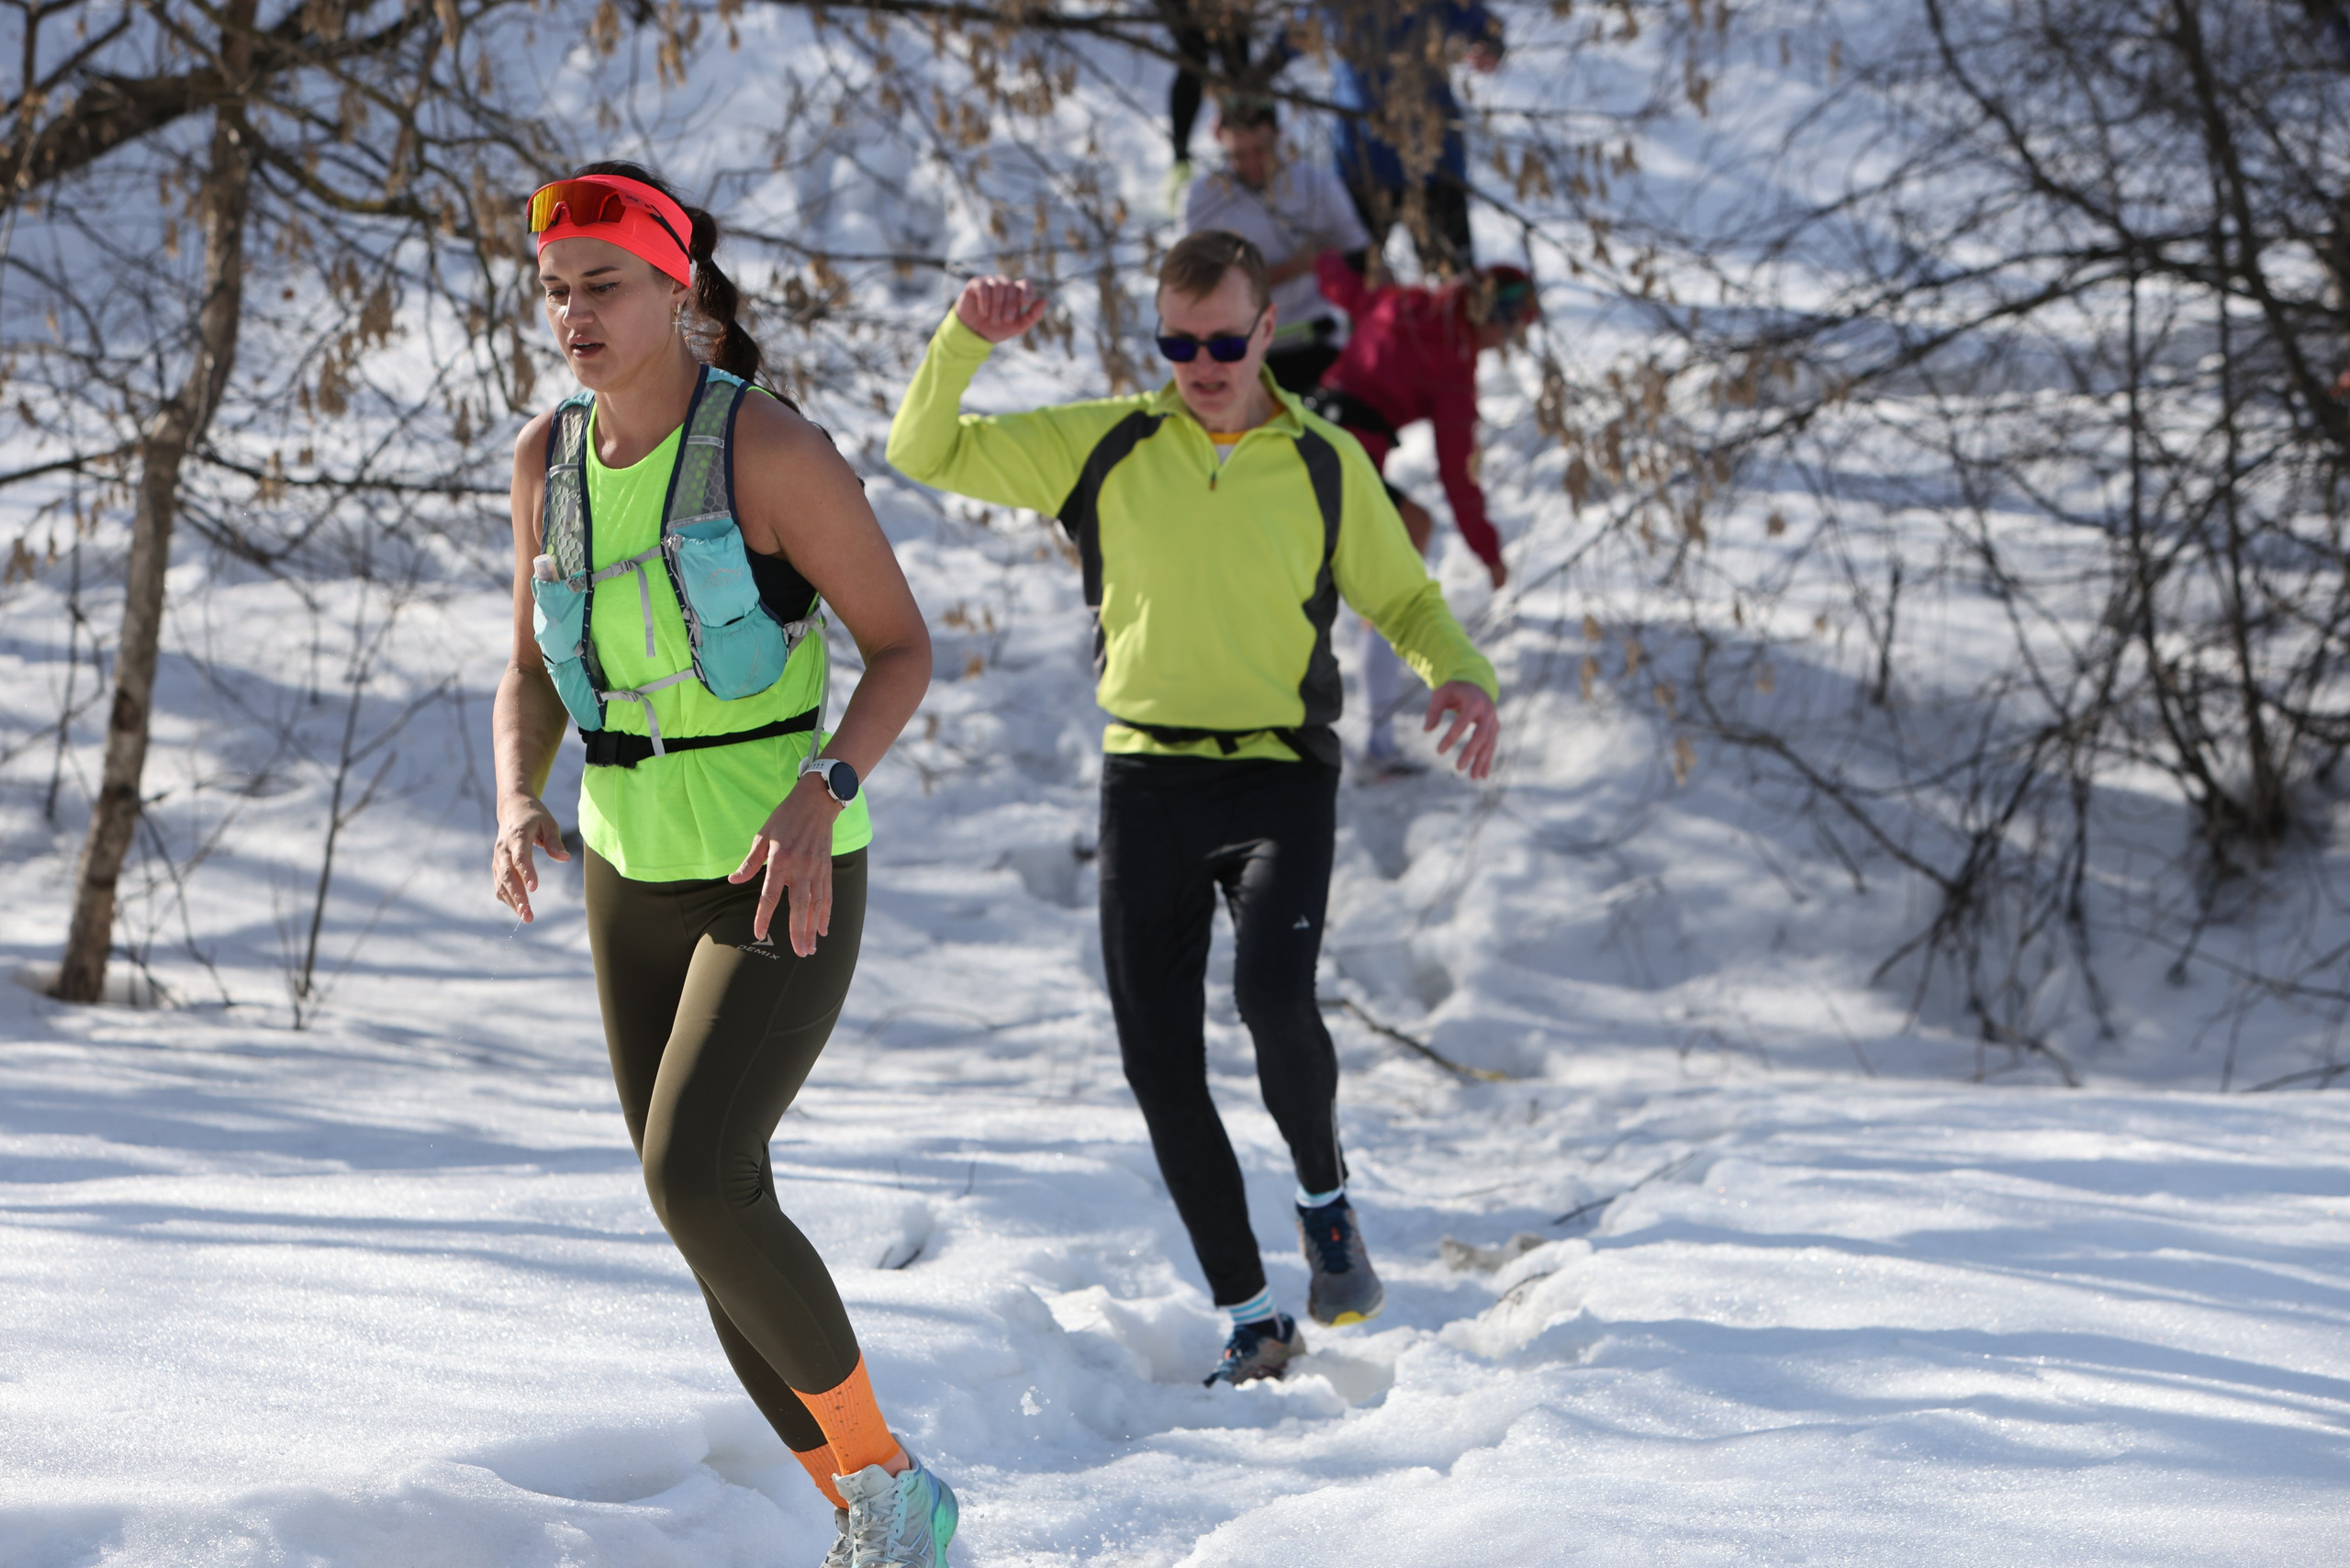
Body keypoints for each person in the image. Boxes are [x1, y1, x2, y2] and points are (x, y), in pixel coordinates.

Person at [885, 230, 1501, 1385]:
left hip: (1279, 774)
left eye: (1224, 340)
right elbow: (924, 446)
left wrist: (1461, 675)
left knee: (1272, 993)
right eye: (1179, 342)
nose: (1203, 363)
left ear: (1268, 331)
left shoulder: (1322, 463)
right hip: (1147, 778)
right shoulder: (1108, 443)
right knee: (1159, 1061)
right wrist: (966, 337)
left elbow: (1407, 602)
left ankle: (1324, 1199)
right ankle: (1254, 1317)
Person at [488, 163, 956, 1568]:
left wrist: (826, 785)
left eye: (605, 286)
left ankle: (891, 1486)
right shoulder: (544, 464)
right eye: (558, 291)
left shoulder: (767, 453)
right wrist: (517, 795)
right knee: (705, 1219)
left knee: (698, 1177)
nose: (575, 315)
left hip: (781, 867)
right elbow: (528, 669)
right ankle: (869, 1519)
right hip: (626, 876)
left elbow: (904, 648)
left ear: (676, 287)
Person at [1311, 253, 1534, 765]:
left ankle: (1373, 722)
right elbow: (1460, 476)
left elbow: (1343, 286)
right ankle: (1377, 741)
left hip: (1309, 428)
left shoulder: (1405, 301)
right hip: (1346, 458)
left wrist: (1321, 252)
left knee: (1405, 535)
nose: (1512, 340)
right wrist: (1490, 554)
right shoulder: (1455, 363)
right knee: (1403, 557)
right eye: (1516, 326)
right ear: (1494, 318)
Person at [1182, 93, 1372, 394]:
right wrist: (1292, 268)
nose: (1251, 163)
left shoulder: (1316, 184)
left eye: (1260, 150)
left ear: (1279, 136)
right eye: (1238, 154)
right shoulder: (1205, 197)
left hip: (1317, 341)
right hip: (1242, 352)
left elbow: (1361, 256)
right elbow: (1201, 287)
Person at [1326, 0, 1505, 277]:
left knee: (1454, 280)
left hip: (1434, 162)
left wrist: (1489, 45)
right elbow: (1289, 37)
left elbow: (1481, 25)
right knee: (1360, 283)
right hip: (1362, 165)